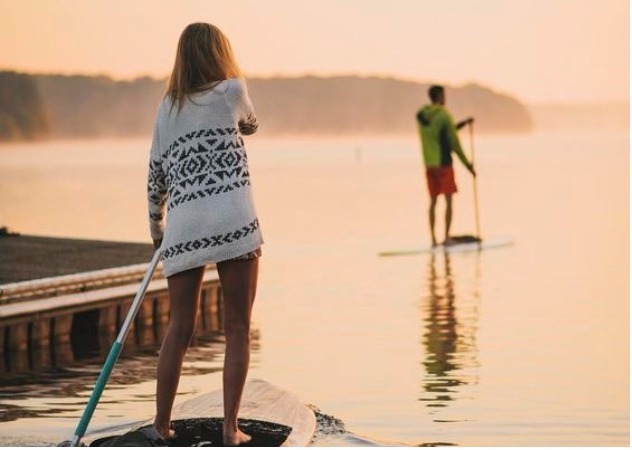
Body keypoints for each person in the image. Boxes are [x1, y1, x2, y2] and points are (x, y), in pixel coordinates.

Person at [146, 22, 262, 446]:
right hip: (234, 220)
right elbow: (252, 125)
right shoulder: (231, 91)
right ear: (219, 54)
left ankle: (161, 426)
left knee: (178, 328)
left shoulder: (165, 110)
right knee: (237, 327)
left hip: (185, 227)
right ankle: (231, 430)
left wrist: (157, 230)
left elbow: (155, 178)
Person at [416, 85, 476, 247]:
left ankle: (433, 241)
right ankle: (447, 237)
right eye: (444, 95)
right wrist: (469, 166)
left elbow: (442, 132)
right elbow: (454, 142)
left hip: (429, 164)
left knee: (433, 201)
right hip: (444, 164)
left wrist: (462, 124)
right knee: (449, 200)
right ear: (440, 96)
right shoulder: (444, 115)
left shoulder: (421, 115)